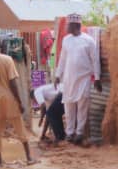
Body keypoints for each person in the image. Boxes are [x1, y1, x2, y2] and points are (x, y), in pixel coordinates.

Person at [0, 35, 33, 166]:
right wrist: (19, 102)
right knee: (19, 127)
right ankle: (29, 157)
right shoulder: (8, 59)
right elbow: (13, 83)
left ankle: (0, 161)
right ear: (1, 46)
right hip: (10, 98)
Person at [56, 13, 100, 144]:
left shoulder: (89, 40)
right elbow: (62, 59)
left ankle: (79, 133)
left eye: (68, 25)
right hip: (69, 79)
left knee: (82, 106)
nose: (66, 27)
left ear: (75, 25)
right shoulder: (66, 40)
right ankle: (70, 133)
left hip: (83, 79)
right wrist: (58, 75)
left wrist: (97, 78)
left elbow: (95, 60)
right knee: (69, 106)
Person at [33, 79, 65, 145]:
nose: (36, 101)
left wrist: (41, 119)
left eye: (34, 100)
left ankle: (59, 137)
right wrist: (43, 134)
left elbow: (43, 106)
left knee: (52, 113)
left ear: (33, 97)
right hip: (65, 93)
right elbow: (48, 117)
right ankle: (62, 136)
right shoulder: (48, 97)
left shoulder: (36, 92)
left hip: (63, 93)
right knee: (55, 114)